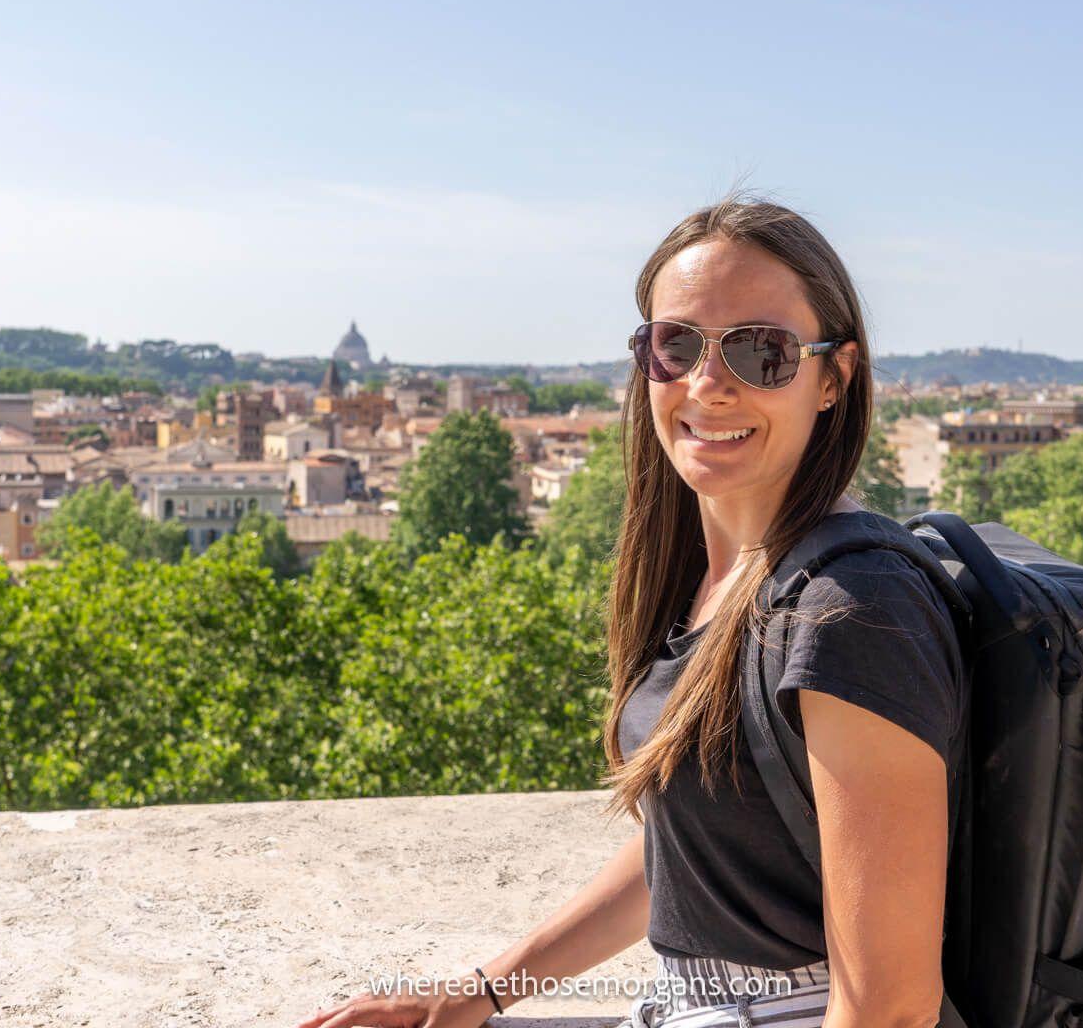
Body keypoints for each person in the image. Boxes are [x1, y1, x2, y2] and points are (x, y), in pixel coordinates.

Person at [294, 197, 964, 1028]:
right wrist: (478, 995)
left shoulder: (850, 610)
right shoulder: (720, 582)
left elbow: (890, 1006)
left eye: (763, 352)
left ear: (835, 377)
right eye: (674, 345)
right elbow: (698, 845)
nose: (708, 384)